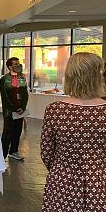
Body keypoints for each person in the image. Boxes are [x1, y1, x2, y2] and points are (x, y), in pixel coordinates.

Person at [41, 52, 106, 212]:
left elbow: (47, 152)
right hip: (99, 181)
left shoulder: (54, 110)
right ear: (98, 77)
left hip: (61, 181)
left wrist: (64, 168)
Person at [0, 57, 28, 161]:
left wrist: (23, 107)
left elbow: (25, 94)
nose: (18, 65)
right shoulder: (4, 79)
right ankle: (2, 154)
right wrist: (14, 108)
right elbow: (5, 97)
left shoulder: (22, 78)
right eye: (15, 64)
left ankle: (13, 151)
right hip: (9, 111)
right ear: (10, 67)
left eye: (18, 63)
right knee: (7, 132)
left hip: (20, 111)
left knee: (17, 131)